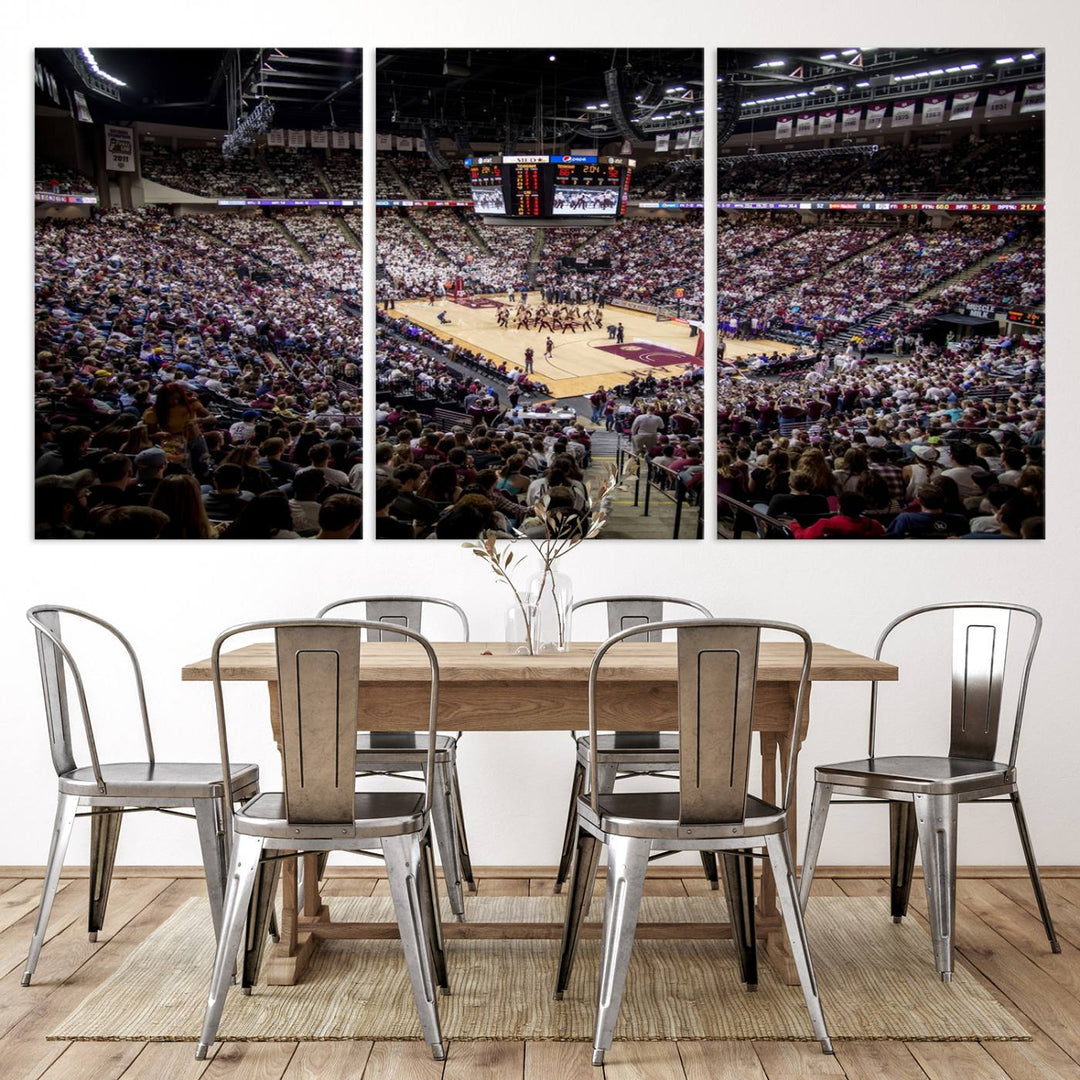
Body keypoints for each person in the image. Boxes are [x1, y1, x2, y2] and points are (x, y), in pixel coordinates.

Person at [791, 492, 886, 539]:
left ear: (839, 507)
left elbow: (802, 537)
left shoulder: (825, 525)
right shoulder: (874, 525)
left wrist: (794, 525)